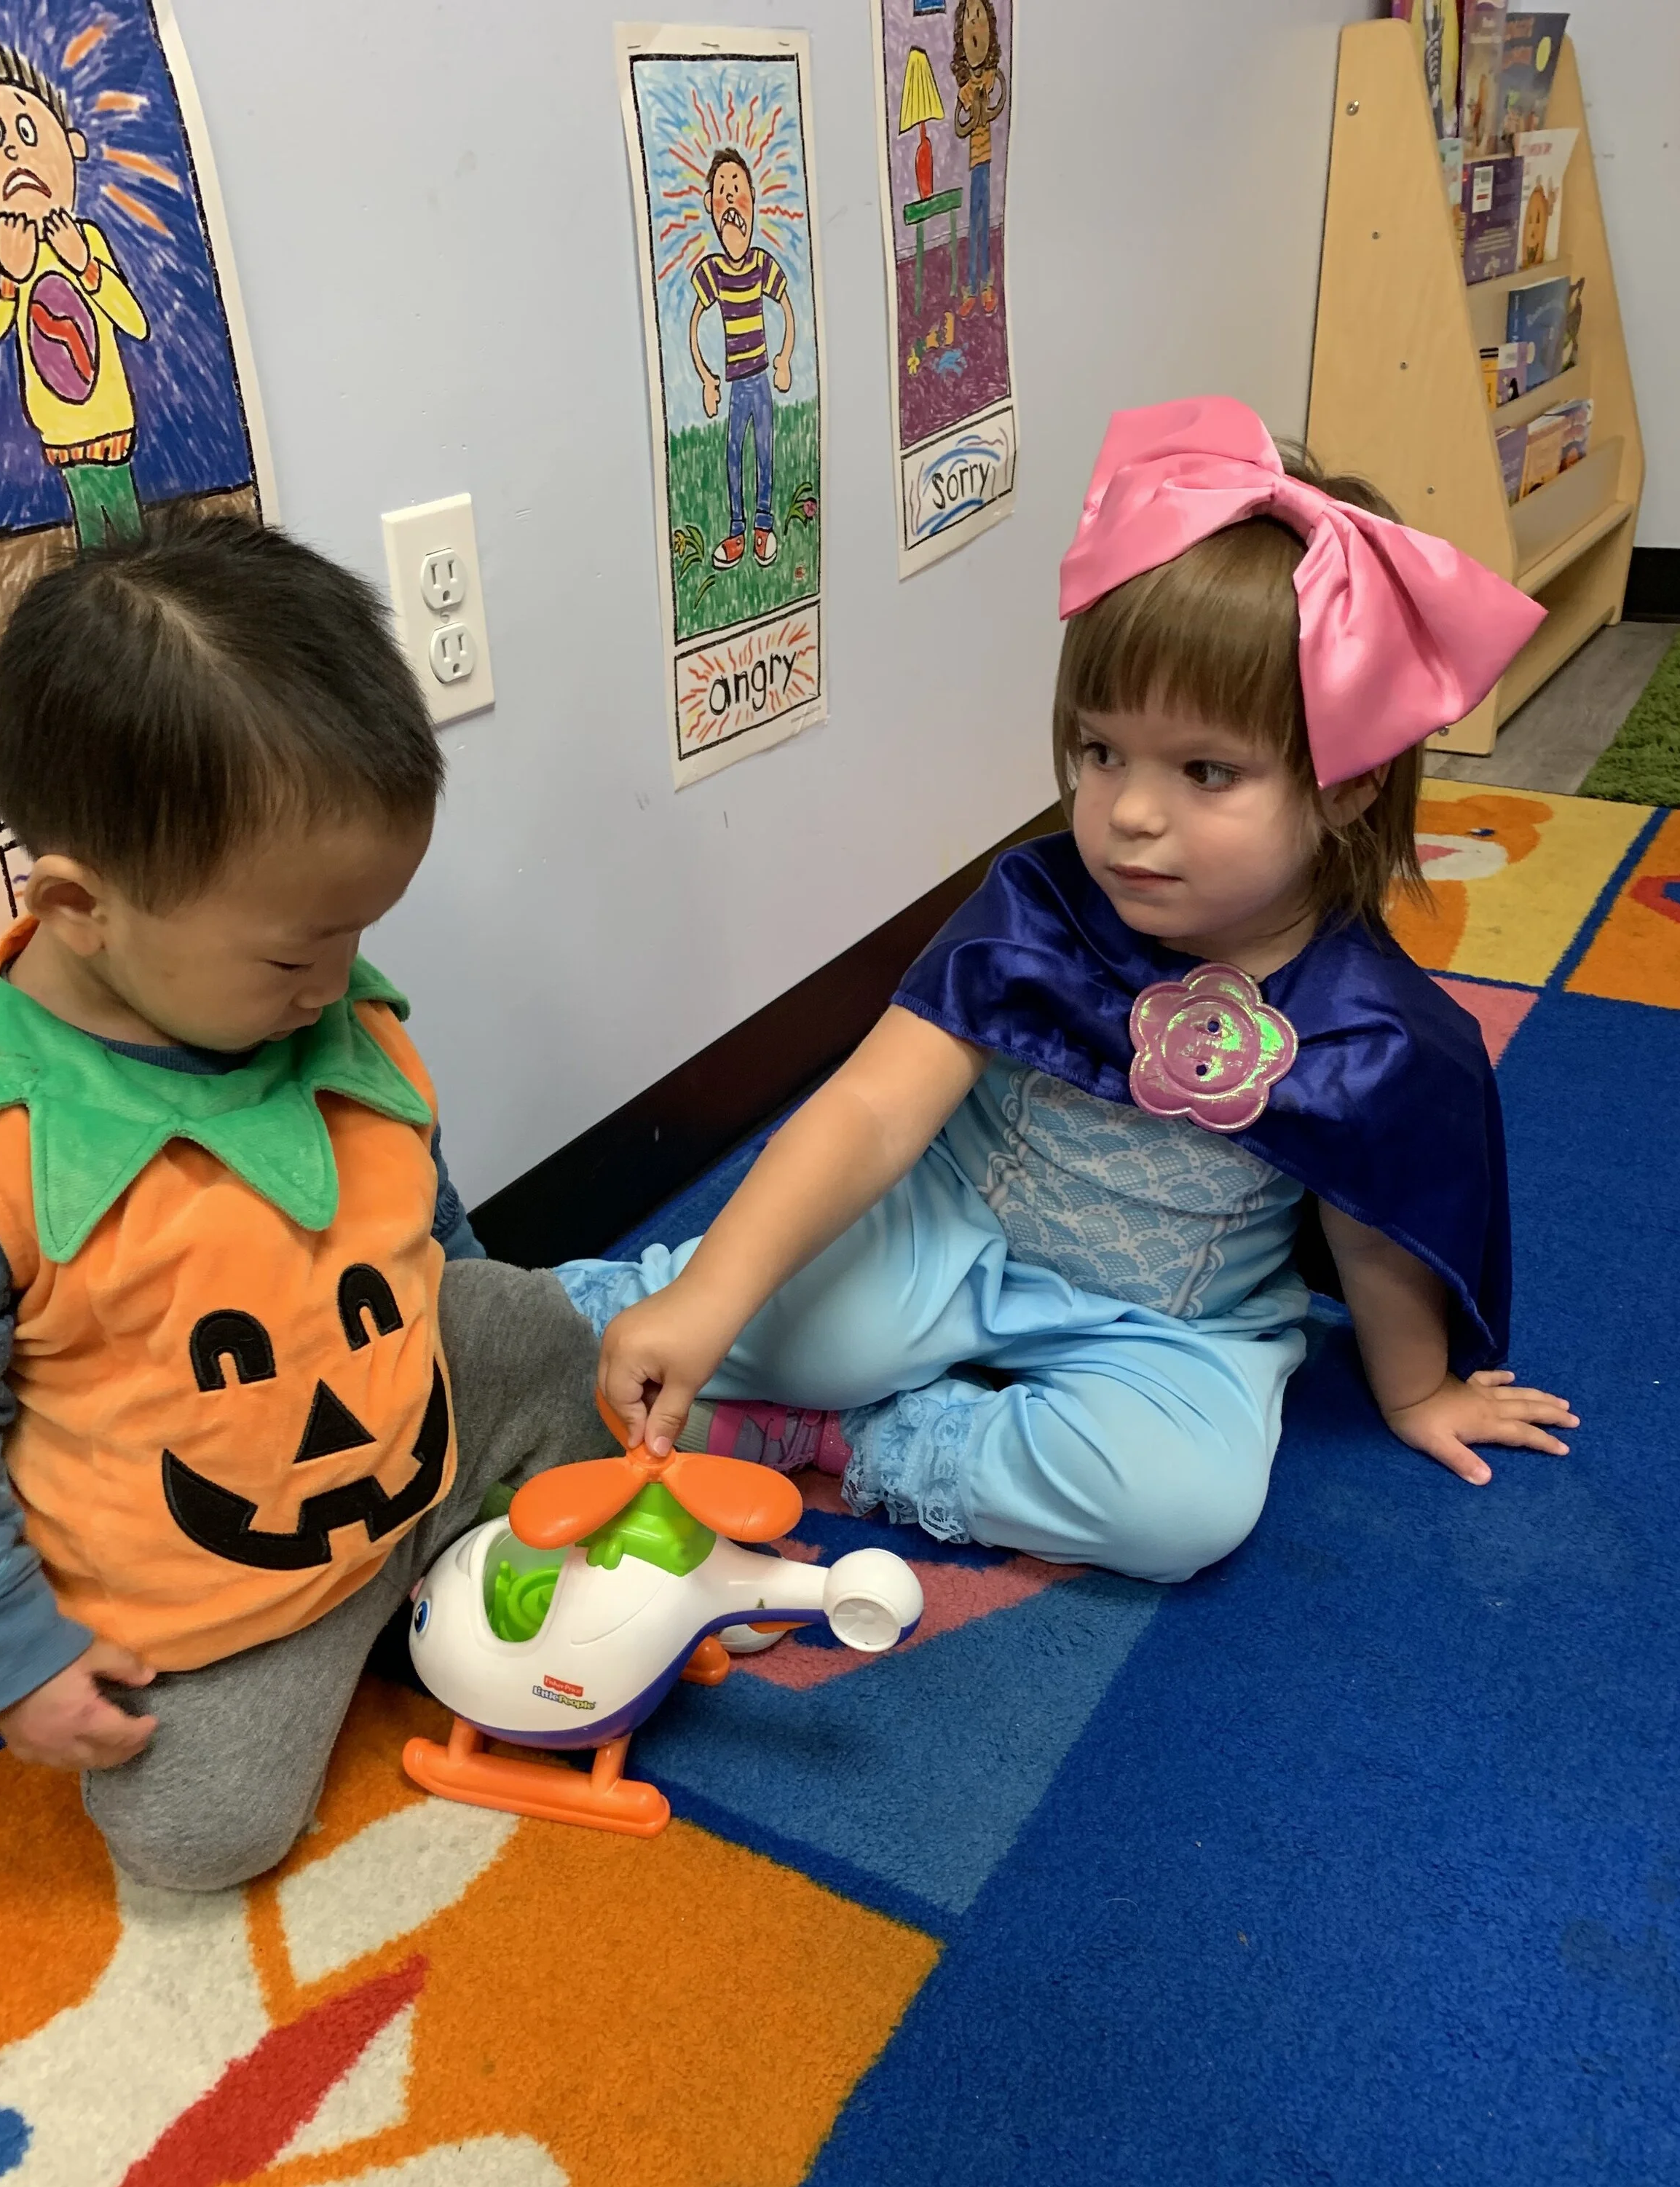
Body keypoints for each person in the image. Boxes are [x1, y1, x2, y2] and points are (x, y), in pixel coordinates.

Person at [561, 397, 1577, 1591]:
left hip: (1176, 1323)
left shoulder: (1363, 1024)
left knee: (1187, 1511)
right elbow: (874, 1110)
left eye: (1207, 771)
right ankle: (607, 1313)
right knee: (791, 1329)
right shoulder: (1037, 909)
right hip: (953, 1235)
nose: (1132, 812)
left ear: (1346, 787)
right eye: (1102, 752)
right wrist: (709, 1300)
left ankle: (853, 1445)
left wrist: (1416, 1388)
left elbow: (1374, 1218)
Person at [0, 516, 612, 1889]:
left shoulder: (341, 1024)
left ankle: (462, 1551)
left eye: (359, 934)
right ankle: (391, 1613)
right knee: (195, 1839)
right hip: (223, 1592)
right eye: (292, 952)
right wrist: (10, 1656)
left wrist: (484, 1325)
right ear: (82, 903)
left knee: (540, 1322)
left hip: (413, 1447)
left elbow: (429, 1237)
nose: (333, 984)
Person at [0, 39, 151, 548]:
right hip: (60, 426)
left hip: (109, 418)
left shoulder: (87, 239)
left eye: (26, 132)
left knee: (128, 528)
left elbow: (134, 322)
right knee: (90, 533)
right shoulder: (3, 249)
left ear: (72, 145)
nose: (14, 151)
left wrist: (85, 265)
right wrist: (11, 281)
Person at [689, 146, 794, 572]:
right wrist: (706, 379)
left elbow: (787, 308)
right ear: (712, 212)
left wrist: (785, 357)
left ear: (753, 198)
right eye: (721, 193)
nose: (731, 201)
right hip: (735, 386)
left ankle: (764, 526)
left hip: (762, 381)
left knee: (765, 452)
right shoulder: (712, 272)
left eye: (737, 190)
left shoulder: (762, 265)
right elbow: (695, 325)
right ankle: (737, 532)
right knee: (733, 454)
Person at [951, 0, 1006, 313]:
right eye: (970, 21)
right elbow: (963, 123)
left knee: (984, 223)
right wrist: (967, 97)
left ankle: (983, 285)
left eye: (981, 20)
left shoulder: (991, 79)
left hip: (986, 161)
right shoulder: (968, 88)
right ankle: (973, 287)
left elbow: (998, 99)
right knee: (975, 223)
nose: (976, 28)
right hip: (975, 165)